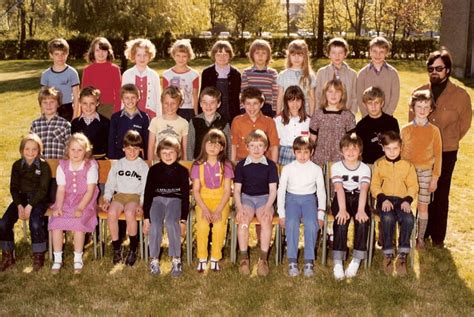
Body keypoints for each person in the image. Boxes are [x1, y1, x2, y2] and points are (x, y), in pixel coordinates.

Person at [410, 48, 472, 247]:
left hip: (447, 150)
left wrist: (449, 140)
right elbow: (413, 120)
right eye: (431, 68)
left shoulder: (460, 95)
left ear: (447, 70)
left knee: (441, 191)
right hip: (423, 151)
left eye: (438, 68)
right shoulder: (420, 92)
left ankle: (437, 236)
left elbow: (465, 123)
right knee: (423, 190)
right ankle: (422, 231)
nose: (434, 72)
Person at [48, 133, 100, 274]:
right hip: (66, 199)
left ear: (86, 151)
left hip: (85, 201)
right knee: (57, 221)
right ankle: (57, 258)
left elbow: (90, 191)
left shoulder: (90, 166)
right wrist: (58, 206)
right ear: (68, 150)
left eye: (80, 150)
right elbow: (61, 189)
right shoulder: (63, 166)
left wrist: (80, 207)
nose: (76, 153)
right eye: (73, 150)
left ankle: (78, 257)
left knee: (78, 223)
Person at [0, 134, 51, 272]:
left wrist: (30, 205)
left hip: (39, 199)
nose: (30, 152)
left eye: (34, 149)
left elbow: (43, 189)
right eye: (27, 149)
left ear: (39, 150)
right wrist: (19, 205)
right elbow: (14, 188)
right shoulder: (16, 165)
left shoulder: (44, 166)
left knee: (34, 223)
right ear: (22, 150)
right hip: (21, 199)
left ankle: (38, 256)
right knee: (3, 223)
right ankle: (7, 255)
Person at [371, 131, 418, 277]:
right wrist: (382, 198)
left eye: (395, 148)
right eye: (388, 148)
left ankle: (402, 256)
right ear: (383, 148)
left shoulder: (408, 165)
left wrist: (408, 200)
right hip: (384, 200)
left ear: (401, 148)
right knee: (388, 218)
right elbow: (375, 185)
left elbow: (413, 185)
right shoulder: (379, 164)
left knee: (409, 219)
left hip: (402, 200)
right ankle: (388, 254)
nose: (392, 152)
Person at [277, 136, 325, 277]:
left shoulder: (316, 169)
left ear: (312, 152)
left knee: (311, 223)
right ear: (294, 152)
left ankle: (309, 261)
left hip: (309, 200)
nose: (302, 156)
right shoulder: (287, 168)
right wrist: (281, 214)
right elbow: (281, 191)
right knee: (291, 223)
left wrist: (320, 214)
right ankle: (292, 260)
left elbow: (321, 192)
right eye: (299, 152)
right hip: (292, 199)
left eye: (306, 152)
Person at [233, 129, 278, 277]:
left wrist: (267, 207)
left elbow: (273, 191)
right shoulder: (241, 166)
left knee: (265, 219)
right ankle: (244, 258)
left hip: (264, 198)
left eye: (260, 145)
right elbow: (237, 191)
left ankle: (263, 259)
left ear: (266, 147)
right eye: (253, 145)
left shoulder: (271, 166)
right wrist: (239, 208)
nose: (256, 149)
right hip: (246, 198)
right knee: (244, 219)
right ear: (247, 147)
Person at [143, 137, 190, 277]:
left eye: (171, 152)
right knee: (155, 224)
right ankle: (154, 260)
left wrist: (183, 220)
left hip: (175, 201)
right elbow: (148, 195)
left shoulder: (182, 171)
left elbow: (185, 197)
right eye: (164, 153)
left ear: (178, 153)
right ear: (158, 154)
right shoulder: (153, 170)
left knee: (170, 222)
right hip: (157, 201)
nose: (168, 156)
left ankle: (176, 259)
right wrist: (146, 218)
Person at [401, 90, 442, 250]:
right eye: (419, 106)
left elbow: (438, 156)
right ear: (413, 107)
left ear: (431, 108)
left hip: (426, 172)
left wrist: (435, 177)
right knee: (405, 205)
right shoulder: (405, 130)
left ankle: (420, 238)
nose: (423, 110)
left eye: (426, 106)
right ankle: (404, 236)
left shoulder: (434, 131)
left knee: (423, 206)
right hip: (408, 172)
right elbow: (401, 153)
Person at [102, 130, 149, 266]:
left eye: (135, 148)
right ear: (123, 148)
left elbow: (146, 187)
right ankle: (117, 248)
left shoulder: (143, 166)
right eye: (129, 148)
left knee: (129, 213)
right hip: (120, 195)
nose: (132, 152)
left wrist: (141, 204)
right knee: (111, 213)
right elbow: (110, 184)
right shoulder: (118, 164)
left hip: (135, 196)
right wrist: (107, 199)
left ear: (140, 149)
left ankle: (133, 248)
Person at [330, 133, 371, 280]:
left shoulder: (365, 168)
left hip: (359, 197)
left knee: (362, 221)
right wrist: (342, 209)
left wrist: (361, 210)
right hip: (342, 197)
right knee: (341, 221)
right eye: (346, 148)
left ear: (360, 151)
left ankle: (356, 259)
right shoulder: (336, 167)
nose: (350, 152)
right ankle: (338, 262)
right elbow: (339, 188)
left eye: (354, 148)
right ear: (341, 151)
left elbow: (364, 189)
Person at [192, 129, 233, 272]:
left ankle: (215, 258)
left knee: (219, 226)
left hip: (220, 202)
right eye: (210, 143)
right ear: (204, 145)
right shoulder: (198, 165)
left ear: (222, 148)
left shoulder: (226, 165)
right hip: (203, 201)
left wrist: (218, 210)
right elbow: (196, 190)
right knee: (202, 226)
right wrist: (204, 208)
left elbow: (227, 191)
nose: (213, 147)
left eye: (217, 145)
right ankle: (202, 258)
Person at [309, 79, 355, 167]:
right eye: (330, 91)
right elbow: (312, 140)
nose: (333, 95)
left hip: (340, 159)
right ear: (325, 94)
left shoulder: (348, 115)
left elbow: (351, 141)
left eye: (337, 92)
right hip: (320, 159)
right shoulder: (318, 114)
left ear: (342, 95)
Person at [231, 87, 279, 163]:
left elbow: (274, 146)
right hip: (242, 163)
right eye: (248, 104)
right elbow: (233, 145)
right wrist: (233, 164)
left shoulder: (269, 122)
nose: (251, 107)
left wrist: (274, 166)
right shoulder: (237, 121)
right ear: (243, 104)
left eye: (255, 103)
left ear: (261, 104)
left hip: (263, 163)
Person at [356, 37, 400, 117]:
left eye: (381, 52)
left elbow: (395, 97)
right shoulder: (362, 73)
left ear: (387, 53)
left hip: (386, 118)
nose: (378, 55)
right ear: (370, 52)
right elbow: (359, 97)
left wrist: (386, 116)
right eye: (374, 51)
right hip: (367, 118)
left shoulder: (393, 73)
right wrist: (367, 116)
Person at [355, 86, 399, 165]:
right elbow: (359, 150)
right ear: (364, 105)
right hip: (369, 164)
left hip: (388, 164)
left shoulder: (392, 122)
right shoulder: (361, 125)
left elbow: (397, 146)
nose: (373, 106)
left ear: (382, 103)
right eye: (370, 103)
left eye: (376, 103)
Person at [200, 40, 241, 124]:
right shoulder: (207, 73)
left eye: (225, 54)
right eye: (218, 54)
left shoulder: (235, 74)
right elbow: (202, 94)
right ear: (213, 55)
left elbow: (237, 96)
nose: (222, 57)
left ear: (230, 56)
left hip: (230, 112)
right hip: (211, 111)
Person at [40, 38, 80, 121]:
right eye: (56, 54)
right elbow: (43, 98)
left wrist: (75, 118)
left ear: (67, 54)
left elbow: (76, 97)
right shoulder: (45, 75)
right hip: (51, 109)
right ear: (51, 55)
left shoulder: (72, 73)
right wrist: (44, 118)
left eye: (63, 54)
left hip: (68, 110)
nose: (60, 57)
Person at [315, 37, 358, 115]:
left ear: (345, 54)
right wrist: (319, 114)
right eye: (333, 53)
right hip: (325, 115)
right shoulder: (321, 72)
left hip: (345, 115)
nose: (337, 56)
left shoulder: (352, 74)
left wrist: (352, 114)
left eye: (340, 53)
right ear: (328, 54)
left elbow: (354, 97)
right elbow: (317, 95)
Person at [81, 37, 122, 118]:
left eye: (104, 50)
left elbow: (118, 92)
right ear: (93, 52)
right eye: (97, 50)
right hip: (92, 107)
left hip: (109, 107)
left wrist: (117, 111)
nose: (101, 53)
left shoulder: (114, 69)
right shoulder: (88, 70)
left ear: (108, 52)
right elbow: (84, 93)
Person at [186, 86, 231, 160]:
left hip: (218, 163)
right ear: (200, 104)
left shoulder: (224, 123)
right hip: (199, 162)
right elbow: (190, 147)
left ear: (218, 104)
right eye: (204, 102)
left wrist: (227, 163)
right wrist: (191, 163)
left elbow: (228, 147)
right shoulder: (194, 122)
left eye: (212, 102)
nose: (208, 106)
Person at [147, 86, 189, 164]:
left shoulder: (184, 123)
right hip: (158, 163)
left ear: (180, 103)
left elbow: (185, 149)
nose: (169, 106)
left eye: (173, 103)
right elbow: (151, 147)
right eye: (166, 103)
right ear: (162, 102)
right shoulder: (155, 121)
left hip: (176, 163)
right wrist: (150, 163)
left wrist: (185, 164)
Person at [108, 84, 150, 160]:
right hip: (119, 157)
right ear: (122, 99)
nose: (130, 101)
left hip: (137, 157)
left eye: (133, 97)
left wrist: (147, 159)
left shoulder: (144, 117)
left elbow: (146, 141)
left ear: (138, 98)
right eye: (127, 98)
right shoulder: (115, 117)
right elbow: (111, 140)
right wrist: (112, 158)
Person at [122, 38, 161, 118]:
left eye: (145, 55)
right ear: (133, 56)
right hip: (131, 113)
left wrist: (159, 117)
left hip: (150, 114)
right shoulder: (127, 74)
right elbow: (123, 97)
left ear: (150, 56)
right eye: (138, 55)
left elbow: (158, 99)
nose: (142, 58)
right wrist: (123, 116)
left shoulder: (154, 75)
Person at [162, 39, 200, 121]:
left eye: (184, 56)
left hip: (188, 110)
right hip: (171, 109)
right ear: (173, 55)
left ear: (189, 56)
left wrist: (196, 114)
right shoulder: (167, 74)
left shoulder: (194, 74)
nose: (181, 59)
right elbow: (164, 96)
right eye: (178, 55)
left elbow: (195, 96)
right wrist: (163, 114)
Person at [277, 39, 316, 116]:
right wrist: (278, 115)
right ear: (289, 56)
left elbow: (312, 99)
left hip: (304, 114)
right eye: (293, 55)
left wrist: (311, 117)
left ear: (305, 56)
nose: (296, 58)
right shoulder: (283, 75)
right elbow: (280, 97)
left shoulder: (309, 75)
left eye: (300, 55)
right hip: (287, 115)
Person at [30, 86, 71, 159]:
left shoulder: (65, 125)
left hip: (59, 165)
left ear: (58, 104)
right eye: (45, 102)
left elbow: (69, 148)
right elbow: (30, 147)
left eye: (52, 102)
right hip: (41, 166)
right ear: (40, 105)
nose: (48, 105)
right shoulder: (35, 125)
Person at [241, 39, 278, 117]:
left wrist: (275, 111)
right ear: (252, 55)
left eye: (263, 53)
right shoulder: (246, 73)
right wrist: (243, 109)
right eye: (257, 53)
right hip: (251, 108)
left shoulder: (272, 73)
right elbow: (243, 93)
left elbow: (275, 94)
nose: (260, 56)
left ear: (268, 56)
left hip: (267, 108)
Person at [274, 86, 310, 165]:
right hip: (285, 153)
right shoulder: (279, 120)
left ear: (302, 101)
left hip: (302, 154)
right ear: (286, 102)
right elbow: (276, 143)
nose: (295, 104)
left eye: (298, 100)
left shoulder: (308, 120)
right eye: (291, 101)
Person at [71, 86, 110, 159]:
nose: (88, 107)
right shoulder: (75, 123)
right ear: (80, 103)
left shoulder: (106, 123)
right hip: (80, 161)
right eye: (85, 103)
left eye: (92, 103)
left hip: (100, 161)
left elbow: (109, 145)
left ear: (97, 103)